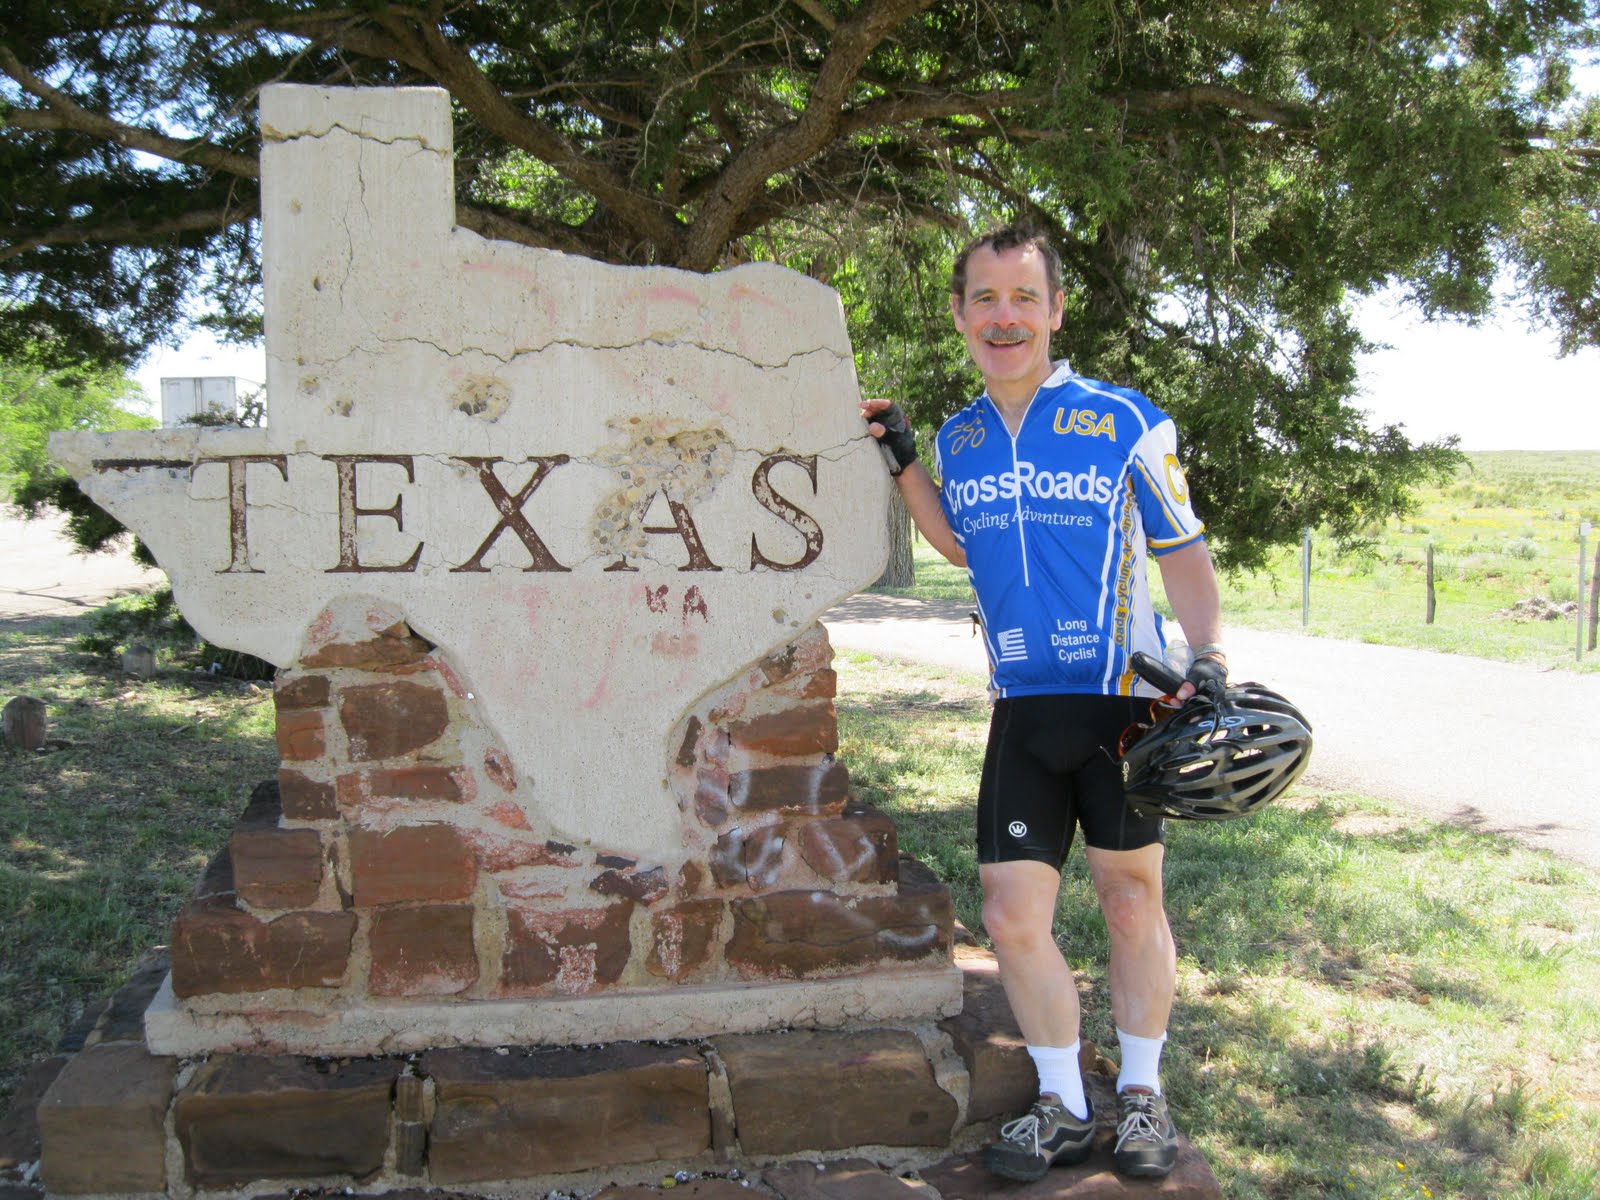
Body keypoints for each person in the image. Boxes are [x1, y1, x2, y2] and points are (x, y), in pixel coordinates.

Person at [861, 225, 1227, 1182]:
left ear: (1056, 311)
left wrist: (1209, 654)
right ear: (960, 316)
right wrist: (905, 460)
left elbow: (1181, 548)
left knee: (1129, 897)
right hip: (1024, 705)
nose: (1004, 316)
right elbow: (960, 546)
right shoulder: (962, 437)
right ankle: (1064, 1102)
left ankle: (1142, 1094)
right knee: (1012, 913)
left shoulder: (1123, 419)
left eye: (1024, 298)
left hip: (1121, 704)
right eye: (984, 299)